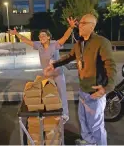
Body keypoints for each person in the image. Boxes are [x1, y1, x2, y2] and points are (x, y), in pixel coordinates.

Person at [44, 14, 117, 145]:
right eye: (80, 23)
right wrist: (54, 64)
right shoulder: (80, 43)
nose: (80, 25)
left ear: (92, 26)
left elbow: (111, 66)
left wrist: (106, 88)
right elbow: (70, 56)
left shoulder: (101, 42)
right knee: (83, 122)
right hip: (83, 91)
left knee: (96, 127)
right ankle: (89, 143)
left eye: (83, 23)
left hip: (95, 93)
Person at [9, 17, 77, 123]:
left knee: (61, 93)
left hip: (58, 74)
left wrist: (71, 27)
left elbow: (65, 37)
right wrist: (16, 34)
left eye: (44, 35)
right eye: (40, 36)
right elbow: (26, 40)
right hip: (47, 75)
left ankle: (65, 115)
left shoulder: (54, 45)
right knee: (47, 93)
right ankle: (50, 112)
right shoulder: (38, 46)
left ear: (49, 37)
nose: (42, 37)